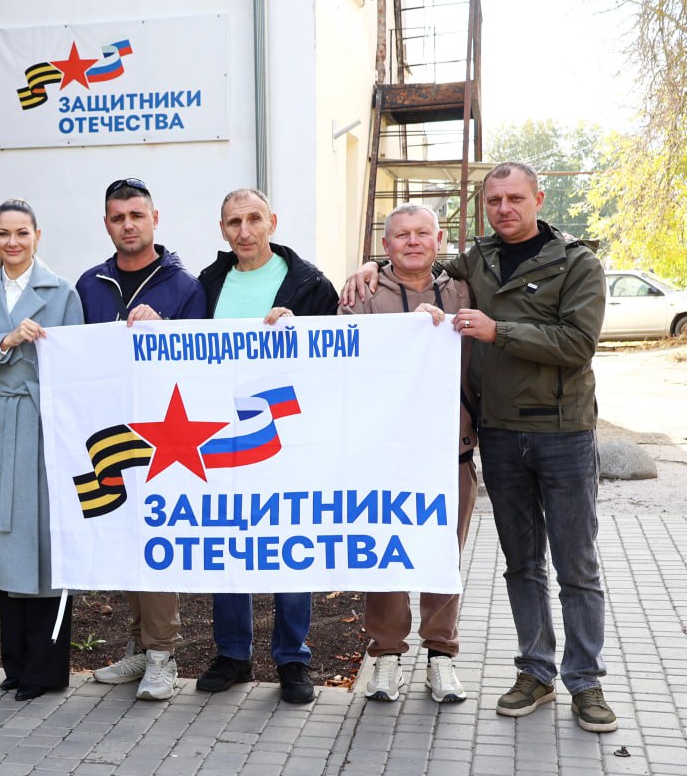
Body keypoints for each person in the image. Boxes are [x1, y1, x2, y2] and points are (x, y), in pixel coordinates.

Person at [343, 161, 615, 732]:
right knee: (522, 565)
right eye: (494, 201)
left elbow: (578, 343)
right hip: (500, 435)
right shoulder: (478, 261)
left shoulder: (576, 262)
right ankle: (535, 672)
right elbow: (415, 263)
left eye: (515, 198)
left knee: (577, 566)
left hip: (563, 432)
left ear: (539, 198)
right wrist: (371, 267)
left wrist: (498, 331)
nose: (504, 209)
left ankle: (586, 682)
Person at [194, 188, 338, 703]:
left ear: (272, 222)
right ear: (222, 229)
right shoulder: (207, 283)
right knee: (228, 538)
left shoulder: (309, 284)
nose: (245, 231)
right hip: (224, 435)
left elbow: (336, 352)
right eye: (233, 222)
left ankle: (293, 658)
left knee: (289, 541)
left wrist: (301, 331)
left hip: (288, 434)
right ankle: (233, 654)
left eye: (254, 219)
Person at [339, 202, 477, 704]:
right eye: (401, 235)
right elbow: (344, 361)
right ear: (385, 244)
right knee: (386, 554)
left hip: (450, 451)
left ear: (439, 240)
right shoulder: (362, 294)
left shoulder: (463, 290)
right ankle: (386, 655)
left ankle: (441, 655)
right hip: (385, 453)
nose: (413, 242)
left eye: (423, 233)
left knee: (443, 555)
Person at [75, 177, 206, 701]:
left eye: (136, 215)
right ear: (106, 224)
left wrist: (164, 327)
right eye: (118, 217)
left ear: (155, 219)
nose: (128, 225)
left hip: (166, 437)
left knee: (156, 539)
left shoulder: (183, 285)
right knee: (124, 536)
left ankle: (162, 655)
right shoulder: (90, 283)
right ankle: (138, 646)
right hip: (110, 430)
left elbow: (199, 362)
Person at [0, 199, 84, 701]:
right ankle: (15, 662)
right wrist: (6, 341)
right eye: (4, 234)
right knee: (8, 538)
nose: (13, 242)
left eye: (21, 233)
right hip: (2, 426)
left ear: (37, 236)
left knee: (46, 545)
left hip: (44, 427)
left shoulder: (61, 292)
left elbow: (76, 361)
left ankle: (45, 670)